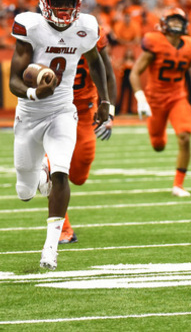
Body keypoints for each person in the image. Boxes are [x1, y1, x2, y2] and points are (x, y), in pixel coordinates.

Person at [8, 0, 111, 271]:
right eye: (58, 2)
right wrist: (33, 91)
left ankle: (50, 249)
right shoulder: (32, 26)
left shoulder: (87, 27)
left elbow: (96, 62)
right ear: (44, 1)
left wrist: (105, 101)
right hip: (29, 114)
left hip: (64, 111)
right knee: (25, 191)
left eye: (69, 2)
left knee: (62, 173)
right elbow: (14, 79)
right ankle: (39, 177)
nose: (65, 9)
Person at [130, 8, 191, 197]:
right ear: (164, 24)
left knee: (185, 137)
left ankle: (178, 185)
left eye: (179, 20)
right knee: (158, 145)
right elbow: (134, 72)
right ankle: (159, 138)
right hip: (155, 99)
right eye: (172, 20)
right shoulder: (155, 43)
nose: (176, 24)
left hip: (178, 97)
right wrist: (141, 98)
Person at [55, 26, 117, 245]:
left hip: (84, 110)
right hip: (52, 110)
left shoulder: (89, 30)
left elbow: (107, 73)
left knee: (79, 176)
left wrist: (108, 111)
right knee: (55, 170)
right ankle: (64, 229)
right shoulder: (37, 31)